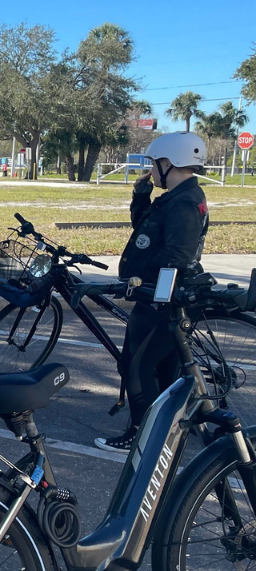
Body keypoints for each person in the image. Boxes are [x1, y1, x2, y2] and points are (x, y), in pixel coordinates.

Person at [95, 132, 210, 453]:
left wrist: (141, 280)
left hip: (163, 299)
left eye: (153, 163)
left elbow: (178, 255)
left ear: (167, 162)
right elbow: (145, 230)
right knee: (161, 369)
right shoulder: (178, 196)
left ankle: (140, 434)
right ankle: (163, 431)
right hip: (158, 296)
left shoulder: (184, 202)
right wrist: (141, 196)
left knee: (137, 366)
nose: (150, 169)